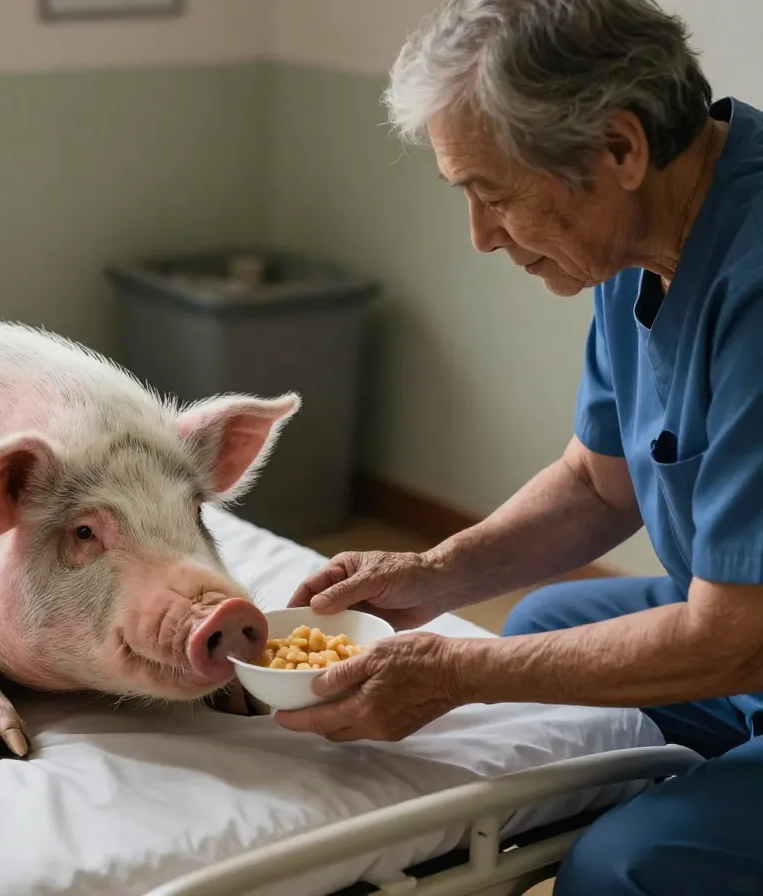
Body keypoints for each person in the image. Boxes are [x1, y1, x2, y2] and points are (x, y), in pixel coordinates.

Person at [273, 0, 763, 892]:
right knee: (539, 626)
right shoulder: (641, 238)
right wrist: (434, 573)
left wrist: (458, 671)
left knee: (620, 869)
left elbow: (736, 635)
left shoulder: (755, 279)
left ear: (619, 149)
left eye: (494, 194)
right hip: (739, 632)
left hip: (746, 636)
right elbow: (597, 483)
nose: (482, 235)